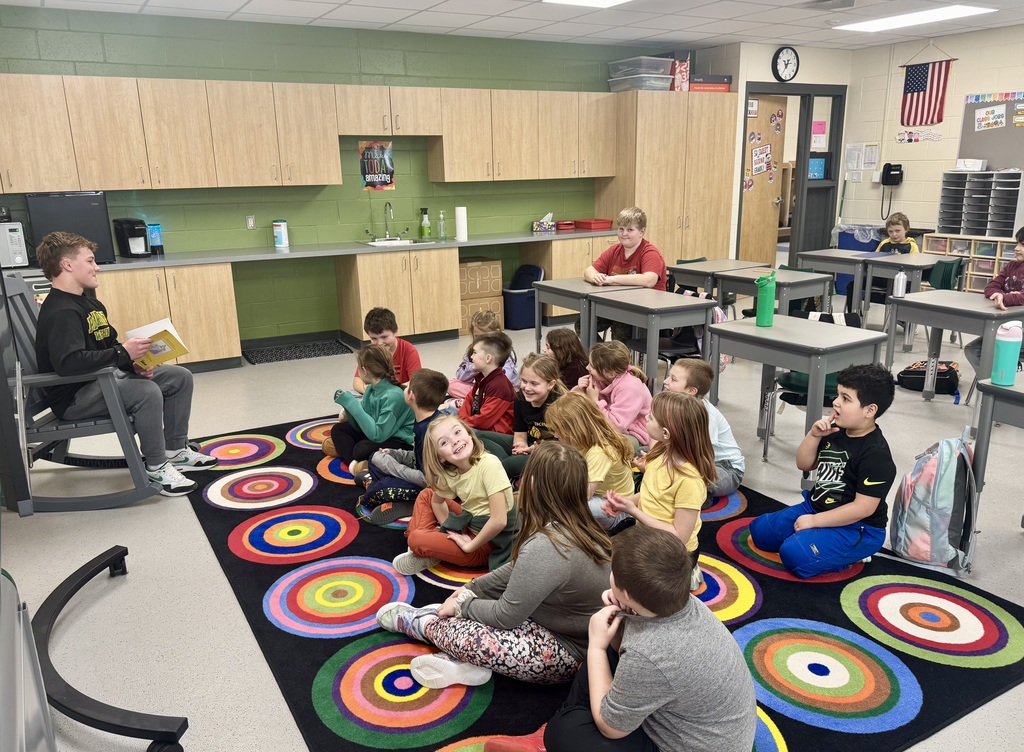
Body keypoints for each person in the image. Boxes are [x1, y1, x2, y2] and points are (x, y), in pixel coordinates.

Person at [376, 442, 611, 689]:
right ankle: (462, 660)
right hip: (555, 626)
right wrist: (472, 588)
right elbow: (516, 569)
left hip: (567, 653)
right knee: (470, 608)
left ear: (532, 485)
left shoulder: (549, 544)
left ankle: (419, 623)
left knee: (466, 634)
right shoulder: (580, 525)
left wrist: (463, 605)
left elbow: (506, 615)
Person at [536, 526, 757, 752]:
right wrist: (623, 608)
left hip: (690, 743)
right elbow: (629, 651)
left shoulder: (649, 652)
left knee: (563, 732)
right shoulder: (683, 604)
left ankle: (570, 717)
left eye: (612, 572)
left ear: (629, 594)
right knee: (606, 654)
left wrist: (596, 647)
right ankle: (574, 712)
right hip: (707, 725)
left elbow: (611, 728)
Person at [33, 231, 217, 497]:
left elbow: (110, 345)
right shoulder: (61, 311)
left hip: (102, 380)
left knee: (179, 377)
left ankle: (175, 450)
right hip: (75, 396)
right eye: (90, 261)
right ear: (67, 265)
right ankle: (156, 466)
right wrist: (123, 355)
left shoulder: (89, 303)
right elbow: (69, 363)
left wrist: (133, 364)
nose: (97, 267)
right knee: (146, 392)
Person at [748, 363, 897, 579]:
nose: (836, 402)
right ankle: (818, 538)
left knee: (793, 555)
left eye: (846, 398)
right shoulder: (836, 431)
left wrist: (814, 522)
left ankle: (851, 555)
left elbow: (862, 509)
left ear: (870, 410)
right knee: (760, 532)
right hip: (815, 508)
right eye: (838, 395)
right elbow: (804, 464)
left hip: (858, 528)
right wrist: (814, 435)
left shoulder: (876, 455)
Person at [602, 391, 716, 589]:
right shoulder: (659, 453)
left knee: (623, 579)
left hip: (673, 552)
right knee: (600, 552)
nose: (646, 416)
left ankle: (686, 576)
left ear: (666, 434)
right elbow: (651, 494)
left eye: (652, 417)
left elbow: (679, 536)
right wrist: (627, 502)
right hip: (647, 533)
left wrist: (634, 511)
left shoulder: (689, 480)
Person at [393, 415, 519, 574]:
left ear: (469, 433)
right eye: (444, 442)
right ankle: (425, 548)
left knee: (416, 538)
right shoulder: (451, 472)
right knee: (427, 494)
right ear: (440, 457)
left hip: (488, 544)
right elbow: (437, 502)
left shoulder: (489, 464)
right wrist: (451, 530)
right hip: (471, 523)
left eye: (457, 432)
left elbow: (499, 521)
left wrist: (468, 545)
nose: (455, 441)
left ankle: (423, 547)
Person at [359, 368, 448, 525]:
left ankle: (416, 503)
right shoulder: (424, 418)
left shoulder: (429, 431)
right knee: (374, 459)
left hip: (433, 487)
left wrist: (390, 465)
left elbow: (427, 479)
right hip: (423, 476)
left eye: (407, 387)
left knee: (376, 491)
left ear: (411, 396)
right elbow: (417, 457)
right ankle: (401, 493)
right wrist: (394, 453)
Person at [580, 207, 667, 343]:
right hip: (617, 306)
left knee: (620, 329)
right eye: (621, 229)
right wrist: (595, 277)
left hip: (642, 311)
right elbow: (589, 270)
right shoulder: (614, 250)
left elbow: (649, 280)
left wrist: (612, 279)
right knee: (583, 324)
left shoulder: (650, 253)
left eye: (630, 230)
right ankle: (603, 359)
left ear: (642, 231)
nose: (624, 234)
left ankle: (617, 362)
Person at [662, 358, 745, 501]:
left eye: (673, 379)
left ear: (691, 391)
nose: (665, 381)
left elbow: (702, 455)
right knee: (643, 454)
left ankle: (696, 497)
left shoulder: (706, 415)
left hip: (726, 468)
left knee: (687, 479)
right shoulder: (674, 405)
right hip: (691, 457)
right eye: (669, 376)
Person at [545, 392, 635, 518]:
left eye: (557, 430)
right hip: (599, 498)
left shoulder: (600, 451)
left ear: (574, 429)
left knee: (561, 506)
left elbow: (585, 495)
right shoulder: (582, 442)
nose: (555, 435)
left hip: (616, 509)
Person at [477, 353, 566, 481]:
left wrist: (534, 449)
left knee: (510, 464)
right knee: (480, 437)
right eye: (524, 381)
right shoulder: (520, 399)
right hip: (530, 446)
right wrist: (520, 446)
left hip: (551, 453)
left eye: (534, 384)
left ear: (550, 385)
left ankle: (504, 473)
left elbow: (567, 443)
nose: (527, 388)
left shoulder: (560, 404)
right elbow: (519, 433)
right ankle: (510, 472)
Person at [329, 344, 414, 464]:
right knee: (338, 429)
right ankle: (354, 466)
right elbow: (360, 426)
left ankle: (347, 454)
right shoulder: (370, 389)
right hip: (378, 434)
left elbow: (378, 436)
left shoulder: (393, 395)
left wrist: (353, 404)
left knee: (361, 449)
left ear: (364, 371)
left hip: (400, 442)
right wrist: (348, 408)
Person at [964, 225, 1024, 374]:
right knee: (972, 350)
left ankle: (996, 385)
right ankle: (991, 385)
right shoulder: (1012, 265)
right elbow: (991, 287)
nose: (1016, 248)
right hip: (1005, 326)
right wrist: (999, 295)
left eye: (1023, 245)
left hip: (1019, 332)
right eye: (1017, 243)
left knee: (977, 350)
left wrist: (1005, 296)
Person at [573, 340, 651, 451]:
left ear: (610, 373)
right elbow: (571, 407)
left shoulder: (631, 388)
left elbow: (616, 426)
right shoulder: (601, 379)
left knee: (602, 448)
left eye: (592, 366)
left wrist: (594, 402)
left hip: (634, 435)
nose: (587, 368)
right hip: (606, 428)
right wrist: (580, 391)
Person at [845, 212, 919, 313]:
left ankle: (902, 318)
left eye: (897, 231)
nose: (894, 234)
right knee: (853, 285)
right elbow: (873, 259)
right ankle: (854, 315)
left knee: (903, 293)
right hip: (881, 279)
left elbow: (914, 265)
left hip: (899, 282)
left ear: (906, 229)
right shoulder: (884, 243)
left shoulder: (911, 246)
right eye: (890, 231)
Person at [449, 309, 520, 400]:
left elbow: (505, 381)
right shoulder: (472, 350)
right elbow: (461, 377)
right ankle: (478, 398)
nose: (481, 341)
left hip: (503, 390)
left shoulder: (504, 350)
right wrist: (474, 367)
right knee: (450, 383)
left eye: (485, 337)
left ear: (497, 333)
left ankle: (478, 398)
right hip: (481, 388)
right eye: (477, 337)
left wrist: (485, 367)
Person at [352, 307, 421, 394]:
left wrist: (389, 392)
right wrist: (370, 392)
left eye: (384, 337)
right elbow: (357, 381)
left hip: (400, 395)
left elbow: (416, 383)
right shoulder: (369, 352)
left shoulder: (409, 351)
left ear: (395, 331)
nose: (380, 343)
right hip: (376, 394)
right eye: (374, 338)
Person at [458, 332, 516, 434]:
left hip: (494, 433)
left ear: (488, 358)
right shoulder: (482, 377)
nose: (471, 357)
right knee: (446, 413)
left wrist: (462, 423)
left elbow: (484, 420)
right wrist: (462, 420)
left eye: (475, 353)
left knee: (453, 427)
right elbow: (468, 400)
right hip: (478, 425)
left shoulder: (500, 385)